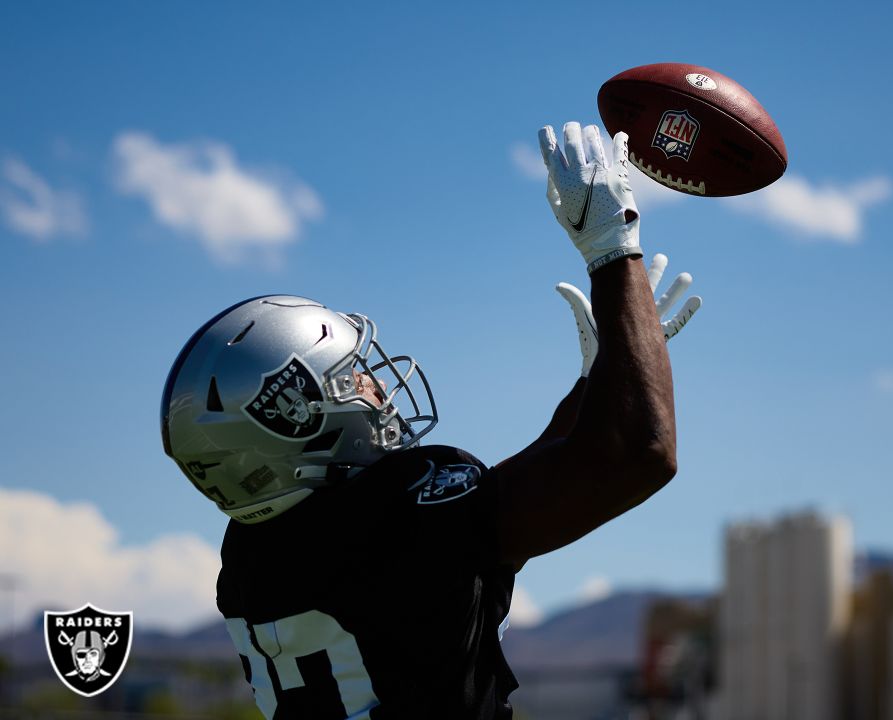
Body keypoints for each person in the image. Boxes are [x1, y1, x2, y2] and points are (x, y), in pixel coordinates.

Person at [160, 122, 701, 719]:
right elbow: (638, 454)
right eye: (347, 377)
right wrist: (612, 249)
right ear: (291, 420)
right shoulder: (398, 518)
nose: (374, 385)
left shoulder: (253, 554)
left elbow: (513, 510)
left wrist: (600, 380)